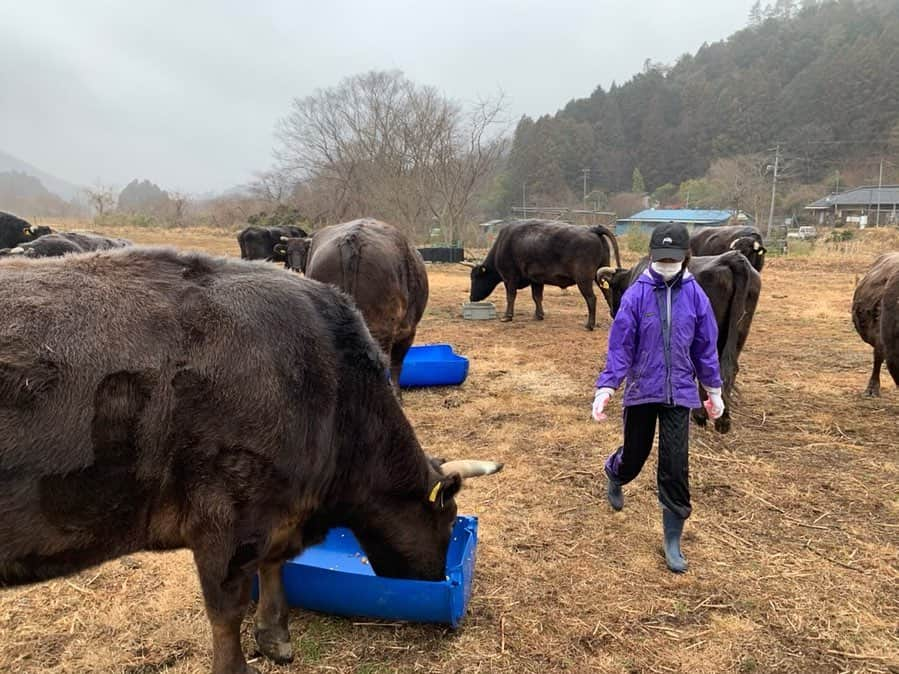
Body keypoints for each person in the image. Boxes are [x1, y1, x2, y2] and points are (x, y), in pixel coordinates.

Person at [591, 222, 724, 573]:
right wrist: (607, 386)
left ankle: (672, 538)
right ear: (651, 256)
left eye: (673, 258)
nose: (667, 264)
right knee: (636, 454)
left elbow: (705, 347)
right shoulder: (636, 295)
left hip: (679, 392)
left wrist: (713, 389)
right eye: (661, 258)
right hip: (641, 390)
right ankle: (616, 473)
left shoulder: (696, 295)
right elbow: (620, 346)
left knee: (675, 466)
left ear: (685, 258)